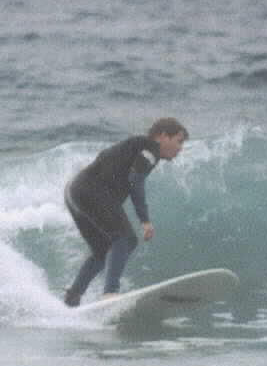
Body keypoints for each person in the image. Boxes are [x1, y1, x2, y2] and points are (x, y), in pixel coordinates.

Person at [62, 117, 188, 307]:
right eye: (179, 141)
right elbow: (136, 180)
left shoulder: (135, 146)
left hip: (74, 191)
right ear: (162, 136)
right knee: (125, 239)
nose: (180, 148)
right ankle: (110, 292)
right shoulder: (150, 149)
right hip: (92, 191)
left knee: (102, 251)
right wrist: (144, 220)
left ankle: (72, 298)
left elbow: (106, 159)